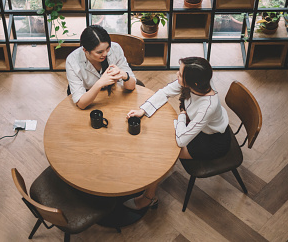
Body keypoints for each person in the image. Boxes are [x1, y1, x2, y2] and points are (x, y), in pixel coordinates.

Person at [124, 57, 231, 210]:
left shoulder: (208, 106)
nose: (176, 74)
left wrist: (182, 114)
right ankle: (146, 177)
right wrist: (143, 110)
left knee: (163, 153)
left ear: (193, 82)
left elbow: (181, 140)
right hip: (195, 125)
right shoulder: (197, 84)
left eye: (180, 74)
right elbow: (165, 92)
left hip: (211, 140)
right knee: (157, 134)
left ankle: (148, 198)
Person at [66, 25, 136, 109]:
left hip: (113, 94)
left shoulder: (116, 49)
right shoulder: (72, 61)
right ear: (85, 50)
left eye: (107, 48)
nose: (105, 54)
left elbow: (131, 86)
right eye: (99, 52)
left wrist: (125, 76)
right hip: (89, 96)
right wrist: (100, 83)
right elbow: (81, 104)